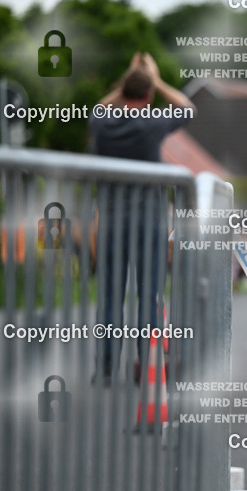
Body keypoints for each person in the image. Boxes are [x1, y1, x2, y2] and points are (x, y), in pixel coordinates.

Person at [88, 52, 196, 385]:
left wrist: (129, 78)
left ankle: (106, 368)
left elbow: (97, 108)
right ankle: (147, 364)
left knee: (110, 297)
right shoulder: (152, 123)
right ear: (148, 96)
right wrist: (156, 79)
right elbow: (187, 108)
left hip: (110, 220)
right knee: (149, 295)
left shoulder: (104, 123)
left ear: (123, 92)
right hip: (149, 221)